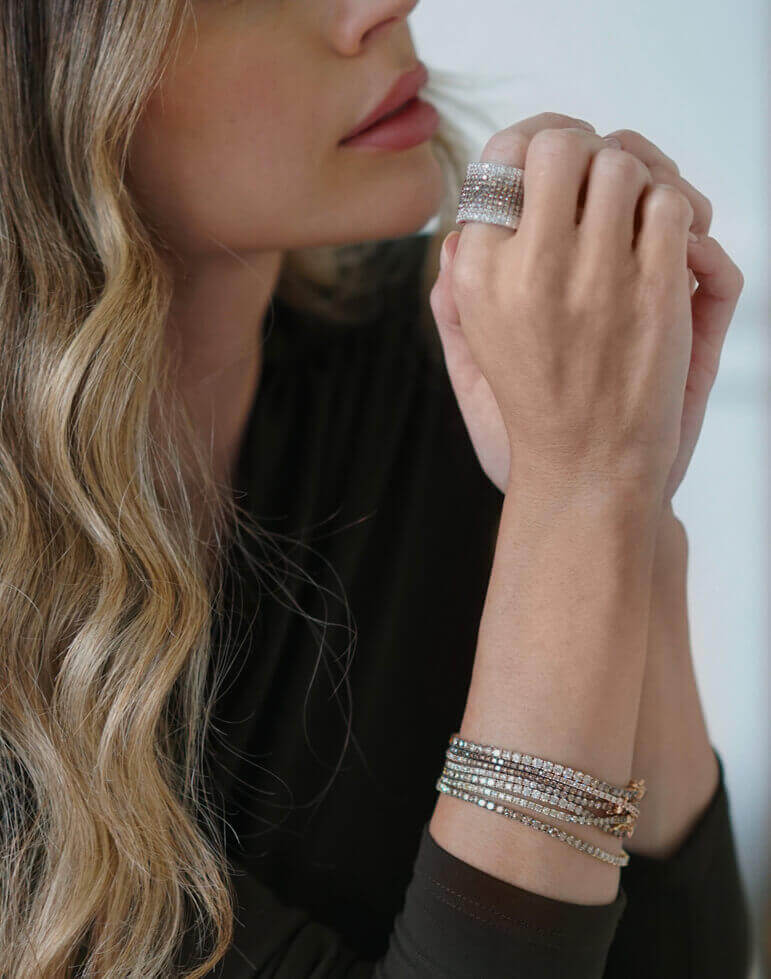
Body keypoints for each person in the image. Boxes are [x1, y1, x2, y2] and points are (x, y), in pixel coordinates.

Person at [0, 1, 751, 976]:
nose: (386, 5)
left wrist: (623, 506)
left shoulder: (462, 359)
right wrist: (581, 499)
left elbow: (685, 957)